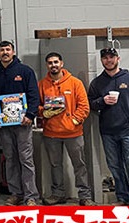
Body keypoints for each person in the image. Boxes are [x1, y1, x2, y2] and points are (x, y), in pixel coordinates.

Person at [88, 47, 129, 206]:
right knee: (115, 167)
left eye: (112, 57)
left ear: (118, 58)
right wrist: (102, 101)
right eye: (105, 58)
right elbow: (91, 103)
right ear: (101, 60)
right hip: (108, 132)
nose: (108, 60)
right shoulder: (97, 83)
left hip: (128, 131)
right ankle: (123, 198)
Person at [0, 41, 41, 206]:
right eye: (2, 50)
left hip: (23, 123)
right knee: (10, 159)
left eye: (8, 49)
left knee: (26, 159)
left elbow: (34, 94)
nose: (5, 52)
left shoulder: (25, 71)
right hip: (5, 126)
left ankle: (31, 196)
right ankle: (16, 193)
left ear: (13, 52)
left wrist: (30, 114)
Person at [38, 52, 95, 206]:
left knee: (80, 165)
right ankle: (58, 194)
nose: (53, 65)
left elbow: (84, 106)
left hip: (73, 133)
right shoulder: (42, 84)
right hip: (51, 133)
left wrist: (74, 121)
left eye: (56, 62)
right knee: (55, 166)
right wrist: (43, 112)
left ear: (61, 63)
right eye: (50, 63)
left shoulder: (75, 83)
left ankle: (85, 196)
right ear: (47, 65)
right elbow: (36, 105)